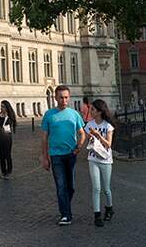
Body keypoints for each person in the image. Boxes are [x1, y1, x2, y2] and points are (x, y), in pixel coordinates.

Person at [42, 84, 86, 226]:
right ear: (55, 97)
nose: (64, 100)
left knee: (71, 186)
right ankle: (66, 214)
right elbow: (44, 137)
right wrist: (44, 157)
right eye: (61, 97)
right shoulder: (49, 115)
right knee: (61, 185)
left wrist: (79, 147)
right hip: (56, 156)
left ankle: (65, 206)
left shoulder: (74, 114)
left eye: (66, 97)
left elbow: (82, 133)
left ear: (69, 98)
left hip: (71, 154)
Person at [84, 99, 116, 227]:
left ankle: (109, 208)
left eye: (92, 109)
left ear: (99, 112)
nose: (90, 111)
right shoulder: (89, 125)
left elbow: (108, 144)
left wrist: (98, 135)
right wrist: (91, 138)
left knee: (106, 189)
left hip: (106, 159)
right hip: (93, 158)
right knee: (96, 188)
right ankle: (97, 215)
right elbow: (87, 141)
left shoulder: (108, 126)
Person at [0, 100, 17, 178]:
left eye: (3, 106)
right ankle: (3, 172)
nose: (1, 108)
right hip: (0, 138)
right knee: (1, 156)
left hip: (7, 138)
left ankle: (9, 171)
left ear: (7, 107)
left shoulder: (9, 117)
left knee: (7, 155)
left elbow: (10, 124)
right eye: (1, 106)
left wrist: (7, 117)